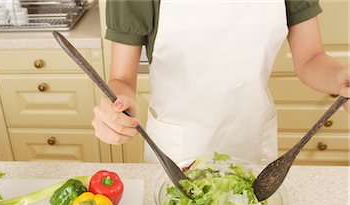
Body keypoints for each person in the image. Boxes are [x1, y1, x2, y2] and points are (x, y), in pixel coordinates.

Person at [92, 0, 350, 164]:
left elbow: (310, 58)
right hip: (178, 153)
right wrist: (116, 109)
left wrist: (341, 79)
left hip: (252, 142)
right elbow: (122, 79)